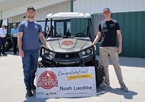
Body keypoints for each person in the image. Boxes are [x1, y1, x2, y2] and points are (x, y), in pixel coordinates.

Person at [91, 8, 128, 92]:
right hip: (103, 47)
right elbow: (98, 35)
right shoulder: (101, 23)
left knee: (117, 66)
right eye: (105, 12)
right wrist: (93, 43)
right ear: (103, 14)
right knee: (105, 67)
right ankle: (107, 83)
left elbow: (119, 34)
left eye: (108, 12)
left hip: (113, 47)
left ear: (110, 13)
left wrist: (120, 46)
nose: (107, 14)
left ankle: (122, 84)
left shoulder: (115, 23)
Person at [17, 6, 48, 97]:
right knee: (27, 70)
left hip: (35, 51)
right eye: (29, 11)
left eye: (32, 11)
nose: (30, 13)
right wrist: (20, 50)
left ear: (34, 13)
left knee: (33, 69)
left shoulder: (38, 25)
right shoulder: (22, 24)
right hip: (26, 51)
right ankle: (28, 89)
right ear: (26, 13)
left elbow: (41, 37)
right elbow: (19, 37)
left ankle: (31, 83)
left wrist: (46, 45)